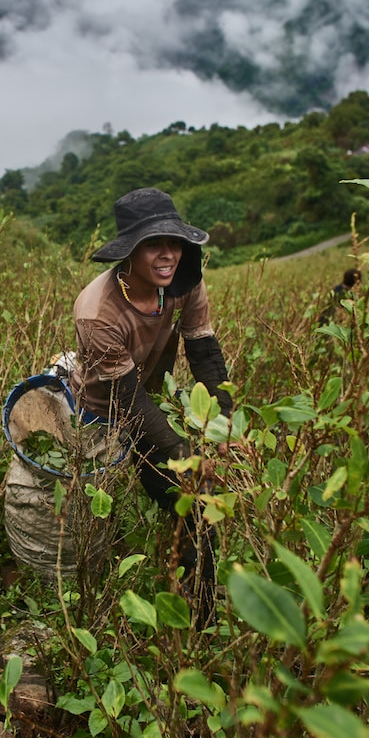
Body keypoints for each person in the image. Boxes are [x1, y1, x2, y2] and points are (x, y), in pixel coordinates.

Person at [70, 187, 233, 625]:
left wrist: (224, 425)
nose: (169, 255)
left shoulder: (185, 282)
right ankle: (87, 597)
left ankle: (201, 611)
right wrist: (183, 452)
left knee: (194, 501)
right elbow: (127, 399)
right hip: (103, 407)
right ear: (130, 254)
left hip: (152, 396)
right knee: (90, 510)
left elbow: (204, 351)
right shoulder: (97, 312)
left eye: (174, 243)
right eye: (154, 245)